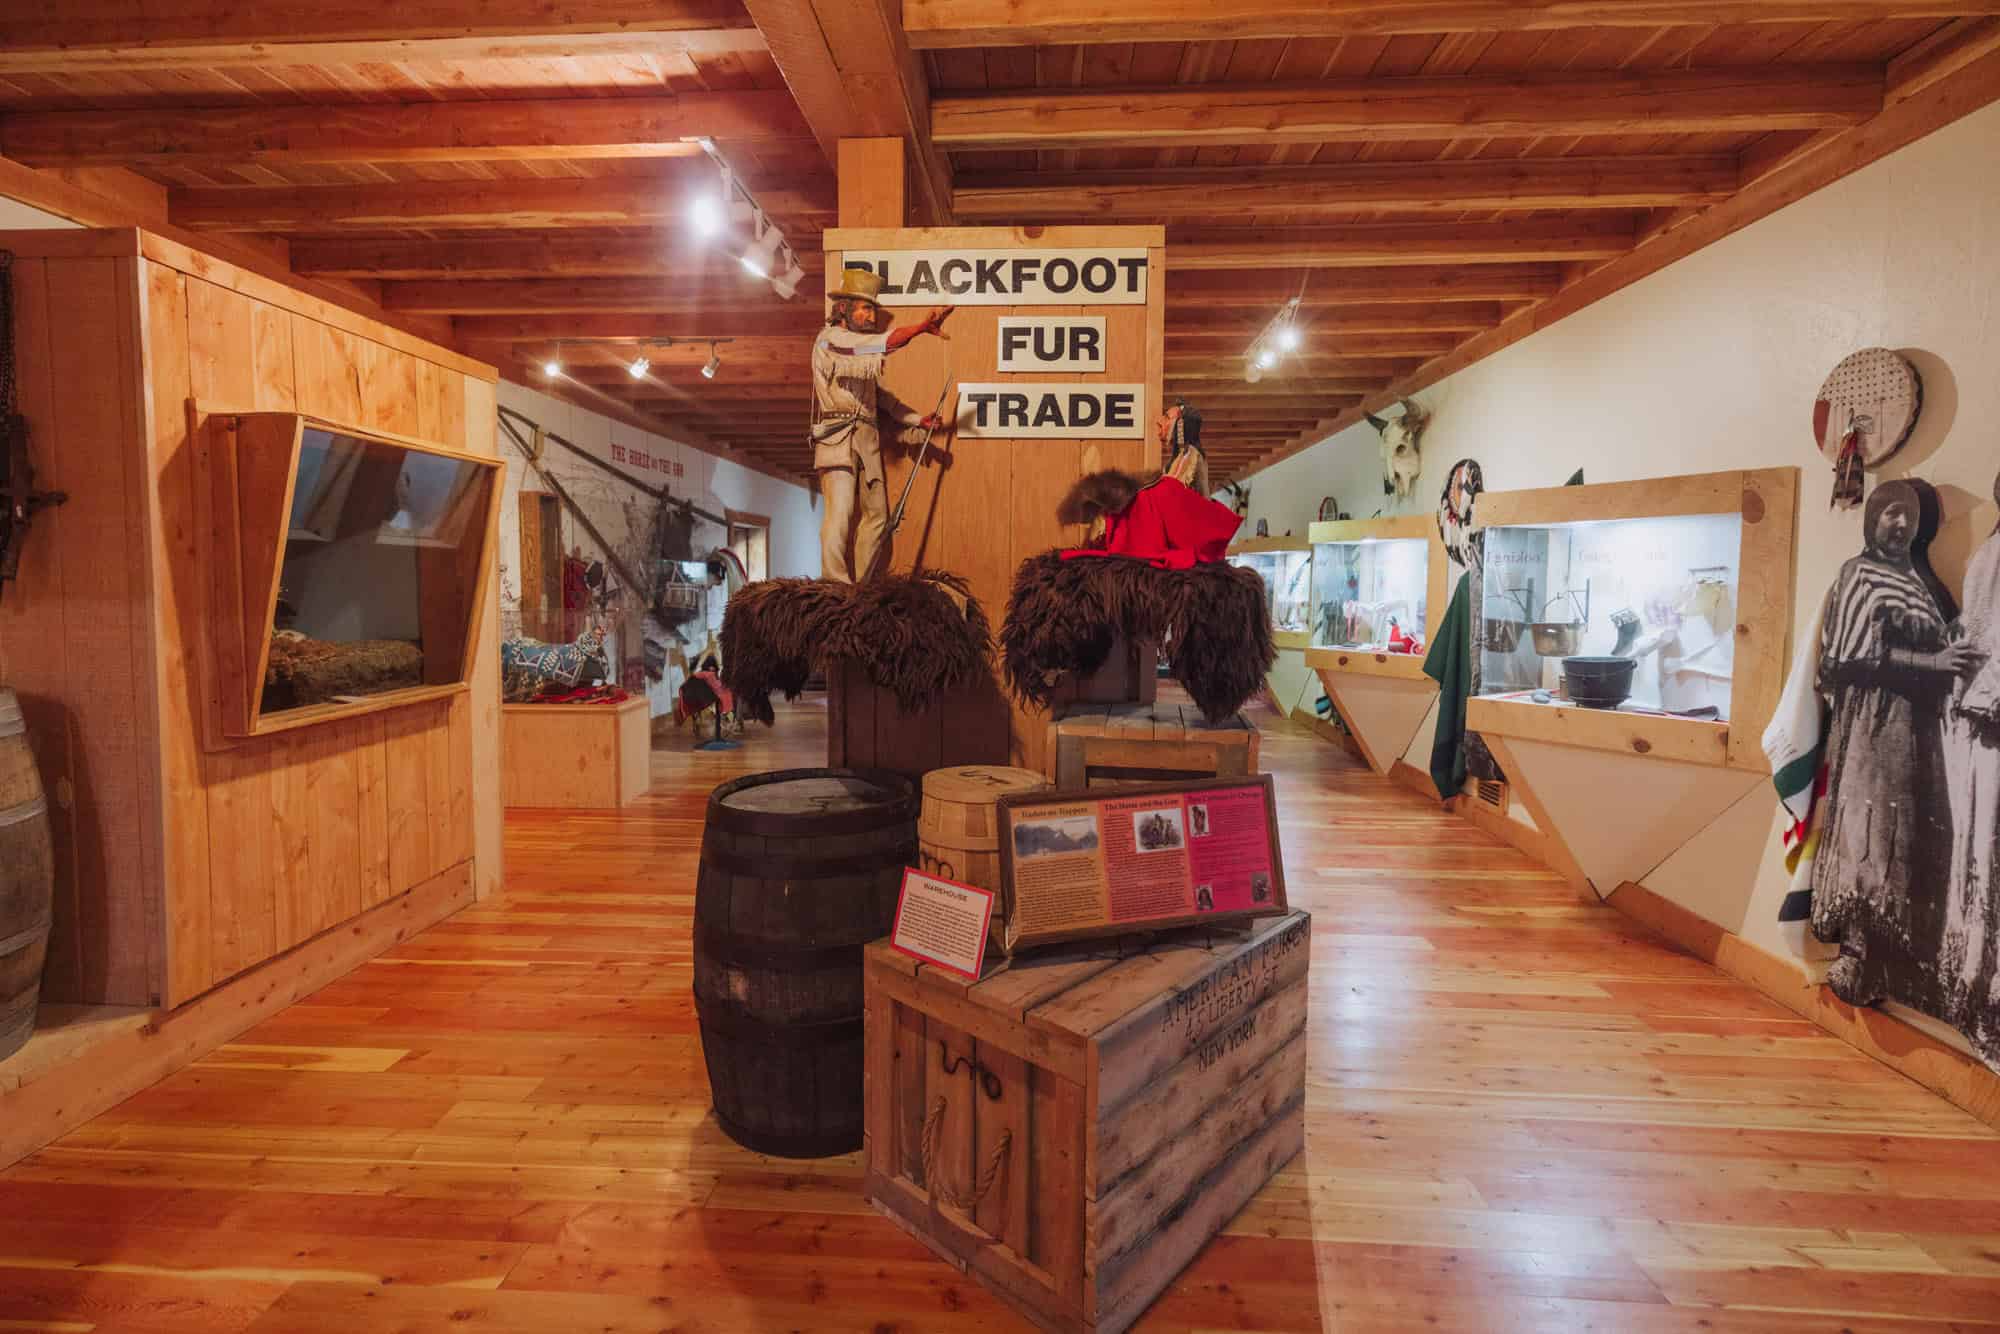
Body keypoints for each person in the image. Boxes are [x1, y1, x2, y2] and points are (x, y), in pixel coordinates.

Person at [1811, 480, 1985, 1008]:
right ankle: (1858, 952)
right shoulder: (1858, 574)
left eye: (1908, 514)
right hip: (1874, 726)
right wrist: (1929, 664)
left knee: (1912, 834)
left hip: (1920, 730)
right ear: (1870, 519)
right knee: (1875, 829)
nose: (1900, 523)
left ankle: (1892, 959)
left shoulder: (1916, 581)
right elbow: (1844, 660)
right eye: (1889, 512)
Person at [812, 269, 951, 582]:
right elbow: (881, 345)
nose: (870, 314)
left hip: (866, 437)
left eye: (872, 308)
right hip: (837, 437)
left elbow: (882, 399)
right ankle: (835, 582)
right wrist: (920, 328)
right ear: (843, 309)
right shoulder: (830, 340)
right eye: (864, 307)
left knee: (877, 515)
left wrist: (918, 420)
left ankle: (863, 587)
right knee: (841, 512)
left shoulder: (859, 355)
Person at [1943, 468, 2000, 1049]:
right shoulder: (1992, 553)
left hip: (1982, 713)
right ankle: (1980, 989)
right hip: (1988, 721)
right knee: (1982, 850)